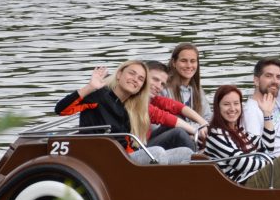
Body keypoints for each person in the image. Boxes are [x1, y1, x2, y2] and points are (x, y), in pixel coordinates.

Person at [54, 61, 193, 164]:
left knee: (187, 154)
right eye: (132, 73)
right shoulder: (99, 96)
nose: (135, 79)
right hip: (102, 160)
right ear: (119, 75)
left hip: (123, 158)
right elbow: (61, 109)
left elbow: (126, 144)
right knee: (158, 153)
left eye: (140, 79)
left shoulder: (129, 107)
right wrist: (90, 87)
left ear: (141, 87)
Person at [146, 60, 205, 152]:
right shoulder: (136, 102)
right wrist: (196, 132)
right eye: (155, 79)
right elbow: (165, 117)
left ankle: (204, 150)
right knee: (178, 133)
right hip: (136, 150)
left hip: (145, 141)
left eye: (162, 84)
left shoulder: (152, 99)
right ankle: (197, 160)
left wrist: (204, 123)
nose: (158, 86)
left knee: (178, 117)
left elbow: (178, 107)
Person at [162, 42, 210, 123]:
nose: (189, 65)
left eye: (193, 61)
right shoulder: (163, 88)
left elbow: (207, 116)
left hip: (196, 133)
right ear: (174, 63)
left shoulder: (198, 90)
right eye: (183, 61)